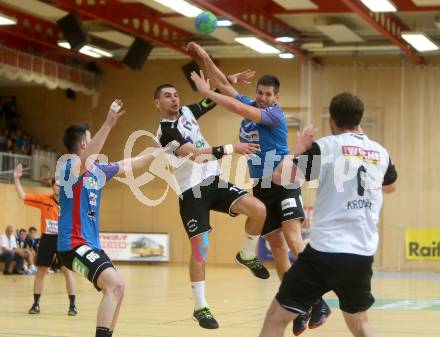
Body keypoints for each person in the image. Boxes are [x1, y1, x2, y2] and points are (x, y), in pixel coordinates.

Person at [187, 41, 330, 335]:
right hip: (262, 185)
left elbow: (234, 104)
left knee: (293, 240)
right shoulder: (253, 104)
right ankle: (296, 305)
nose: (263, 98)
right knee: (277, 247)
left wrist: (204, 93)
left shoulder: (274, 115)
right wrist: (204, 56)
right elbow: (225, 85)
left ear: (276, 98)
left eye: (268, 95)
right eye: (260, 93)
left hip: (284, 178)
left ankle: (318, 300)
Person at [258, 92, 398, 337]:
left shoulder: (325, 147)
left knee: (276, 319)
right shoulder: (381, 152)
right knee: (361, 323)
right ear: (360, 119)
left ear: (331, 119)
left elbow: (280, 178)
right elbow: (390, 186)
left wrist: (300, 147)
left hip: (324, 253)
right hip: (361, 254)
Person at [57, 99, 176, 337]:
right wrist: (108, 124)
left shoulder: (98, 172)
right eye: (90, 140)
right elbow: (85, 160)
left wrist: (160, 152)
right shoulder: (69, 167)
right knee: (115, 284)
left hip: (90, 244)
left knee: (118, 289)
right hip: (72, 245)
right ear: (83, 143)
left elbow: (131, 164)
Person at [154, 83, 269, 329]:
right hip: (191, 192)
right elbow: (195, 154)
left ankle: (247, 255)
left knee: (259, 210)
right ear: (158, 104)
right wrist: (232, 148)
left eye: (176, 94)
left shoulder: (186, 112)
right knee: (200, 249)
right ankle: (200, 307)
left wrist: (226, 81)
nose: (174, 99)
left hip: (214, 182)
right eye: (167, 96)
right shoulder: (165, 132)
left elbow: (209, 101)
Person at [13, 164, 78, 315]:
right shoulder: (44, 200)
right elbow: (23, 196)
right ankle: (36, 304)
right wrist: (16, 179)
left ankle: (72, 306)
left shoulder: (71, 202)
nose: (59, 187)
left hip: (64, 240)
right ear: (52, 186)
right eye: (57, 185)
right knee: (41, 271)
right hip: (47, 239)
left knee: (67, 272)